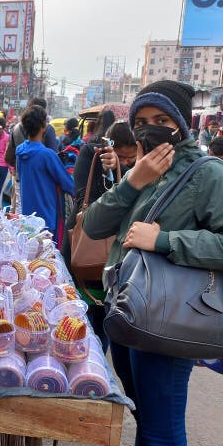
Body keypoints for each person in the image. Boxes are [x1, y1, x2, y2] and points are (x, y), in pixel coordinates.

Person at [82, 80, 223, 446]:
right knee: (146, 416)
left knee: (164, 437)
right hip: (129, 312)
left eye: (162, 122)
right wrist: (133, 181)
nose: (151, 130)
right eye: (142, 122)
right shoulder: (143, 169)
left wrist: (166, 240)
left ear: (181, 125)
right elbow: (94, 224)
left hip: (169, 323)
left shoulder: (210, 175)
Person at [67, 121, 138, 351]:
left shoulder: (139, 168)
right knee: (81, 319)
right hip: (85, 250)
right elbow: (80, 197)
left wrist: (123, 170)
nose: (128, 162)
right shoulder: (91, 154)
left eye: (131, 159)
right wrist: (107, 171)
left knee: (104, 322)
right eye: (122, 157)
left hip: (117, 256)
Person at [16, 105, 74, 242]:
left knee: (30, 258)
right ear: (44, 126)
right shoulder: (47, 155)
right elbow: (69, 184)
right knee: (46, 260)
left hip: (27, 217)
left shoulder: (20, 151)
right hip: (46, 218)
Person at [5, 98, 58, 213]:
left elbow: (8, 157)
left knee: (20, 214)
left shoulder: (15, 129)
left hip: (20, 180)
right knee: (39, 218)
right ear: (44, 112)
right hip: (42, 182)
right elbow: (55, 157)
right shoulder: (48, 129)